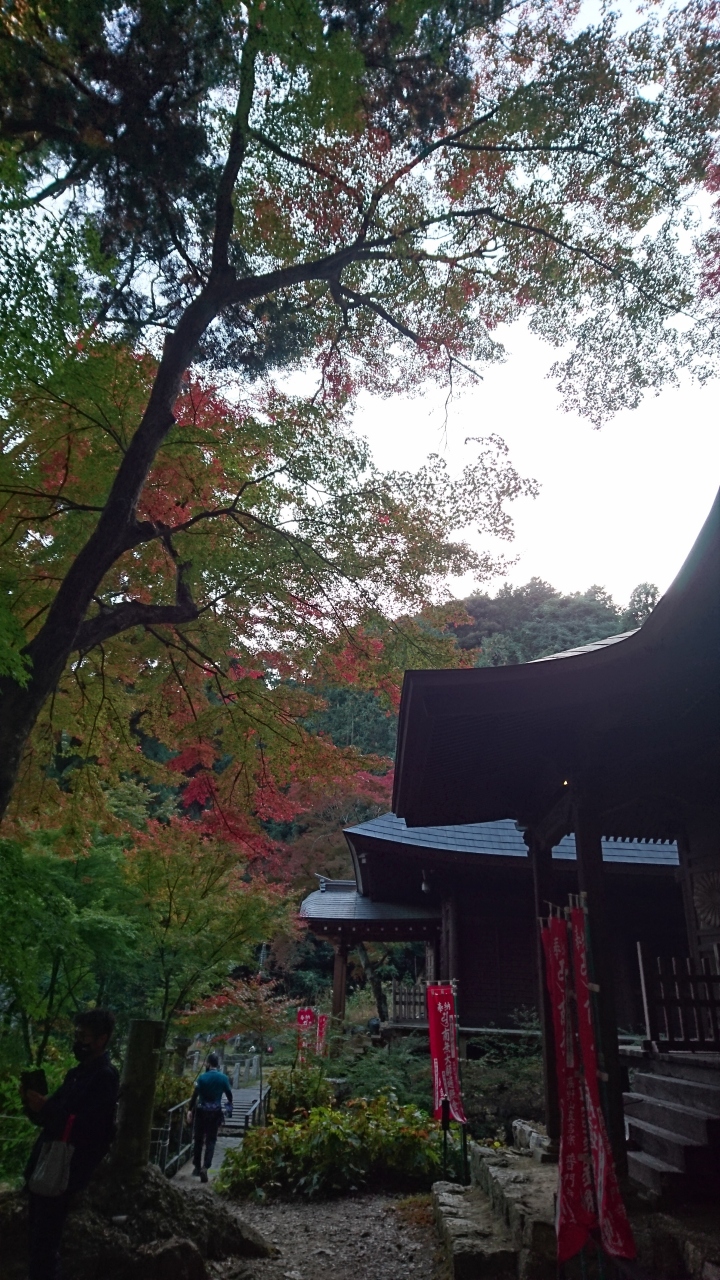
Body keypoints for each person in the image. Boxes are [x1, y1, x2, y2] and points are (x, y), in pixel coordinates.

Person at [23, 1008, 119, 1280]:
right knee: (38, 1240)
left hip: (66, 1169)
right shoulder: (76, 1074)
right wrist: (34, 1105)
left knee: (46, 1243)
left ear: (101, 1039)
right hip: (48, 1163)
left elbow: (91, 1128)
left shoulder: (105, 1076)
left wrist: (48, 1110)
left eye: (83, 1036)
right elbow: (52, 1114)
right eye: (77, 1035)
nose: (78, 1041)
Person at [187, 1051, 233, 1182]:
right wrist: (229, 1105)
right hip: (215, 1112)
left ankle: (197, 1166)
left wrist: (189, 1109)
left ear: (208, 1063)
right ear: (218, 1064)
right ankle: (206, 1166)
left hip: (201, 1110)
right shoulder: (223, 1078)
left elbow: (195, 1095)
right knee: (211, 1140)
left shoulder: (202, 1078)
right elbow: (229, 1094)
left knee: (198, 1139)